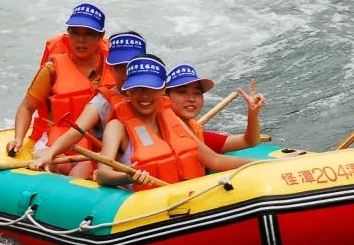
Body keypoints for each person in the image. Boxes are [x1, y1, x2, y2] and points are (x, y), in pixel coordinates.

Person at [96, 57, 262, 189]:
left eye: (152, 88)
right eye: (138, 88)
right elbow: (102, 174)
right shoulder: (117, 127)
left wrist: (265, 165)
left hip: (185, 200)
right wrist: (127, 176)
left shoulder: (173, 120)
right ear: (127, 91)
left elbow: (215, 161)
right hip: (145, 208)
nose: (145, 95)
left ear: (163, 90)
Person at [26, 31, 146, 178]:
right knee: (81, 169)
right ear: (111, 68)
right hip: (119, 168)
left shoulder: (156, 96)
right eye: (118, 67)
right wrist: (50, 154)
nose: (125, 73)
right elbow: (75, 132)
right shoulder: (102, 101)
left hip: (146, 164)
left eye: (131, 66)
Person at [6, 3, 114, 159]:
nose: (81, 40)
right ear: (68, 34)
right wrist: (18, 139)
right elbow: (27, 107)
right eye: (75, 33)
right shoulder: (52, 69)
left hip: (102, 141)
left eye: (89, 34)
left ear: (101, 36)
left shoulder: (115, 66)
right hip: (60, 141)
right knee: (55, 162)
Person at [165, 64, 266, 153]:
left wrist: (253, 114)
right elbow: (215, 160)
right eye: (182, 92)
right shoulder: (156, 135)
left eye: (197, 93)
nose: (191, 99)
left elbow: (249, 141)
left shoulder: (200, 136)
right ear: (165, 97)